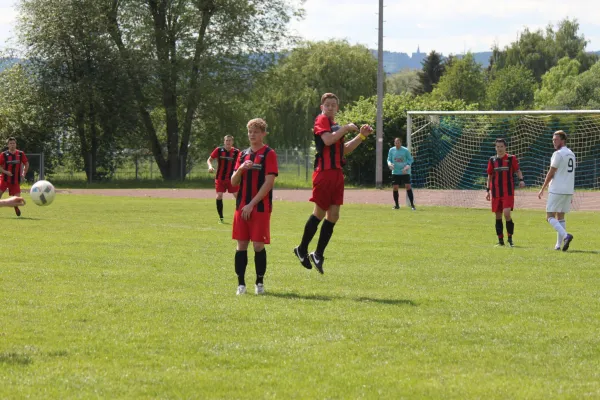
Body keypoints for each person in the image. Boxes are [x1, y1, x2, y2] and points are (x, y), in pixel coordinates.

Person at [293, 92, 374, 274]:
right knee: (320, 213)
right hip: (324, 173)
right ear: (322, 107)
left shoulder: (335, 126)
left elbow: (343, 150)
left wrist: (361, 137)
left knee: (334, 215)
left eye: (333, 105)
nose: (330, 107)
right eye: (327, 105)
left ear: (337, 108)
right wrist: (345, 128)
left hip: (336, 174)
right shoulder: (321, 120)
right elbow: (328, 140)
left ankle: (318, 253)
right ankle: (302, 248)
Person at [230, 118, 278, 295]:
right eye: (250, 132)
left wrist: (251, 204)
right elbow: (233, 182)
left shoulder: (269, 154)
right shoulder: (242, 155)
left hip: (259, 208)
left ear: (263, 134)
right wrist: (241, 168)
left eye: (256, 132)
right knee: (241, 244)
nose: (252, 135)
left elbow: (269, 183)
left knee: (258, 245)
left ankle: (259, 283)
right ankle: (241, 284)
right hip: (241, 207)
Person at [538, 130, 576, 251]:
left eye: (556, 139)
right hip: (568, 190)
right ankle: (558, 245)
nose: (554, 141)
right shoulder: (571, 154)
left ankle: (566, 236)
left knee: (549, 216)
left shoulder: (558, 154)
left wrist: (543, 188)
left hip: (557, 189)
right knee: (561, 216)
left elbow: (551, 172)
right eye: (553, 139)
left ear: (563, 140)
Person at [485, 138, 525, 247]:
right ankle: (501, 241)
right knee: (498, 216)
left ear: (505, 147)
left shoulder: (511, 158)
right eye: (497, 146)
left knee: (507, 214)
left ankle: (510, 239)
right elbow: (489, 176)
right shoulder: (492, 160)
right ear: (495, 147)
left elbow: (517, 170)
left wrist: (521, 180)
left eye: (501, 146)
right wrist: (487, 190)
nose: (499, 149)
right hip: (496, 192)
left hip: (508, 192)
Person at [207, 135, 239, 223]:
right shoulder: (218, 150)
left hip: (232, 179)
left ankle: (239, 217)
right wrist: (210, 166)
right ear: (224, 141)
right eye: (226, 140)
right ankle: (221, 218)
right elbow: (209, 160)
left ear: (232, 142)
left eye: (230, 141)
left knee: (238, 196)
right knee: (219, 196)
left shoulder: (236, 152)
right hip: (220, 178)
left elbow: (241, 163)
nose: (228, 142)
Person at [0, 137, 29, 217]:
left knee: (17, 200)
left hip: (15, 180)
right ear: (8, 145)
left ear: (16, 144)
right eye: (10, 143)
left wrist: (23, 173)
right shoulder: (3, 154)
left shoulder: (20, 153)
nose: (12, 145)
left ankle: (16, 207)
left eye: (13, 143)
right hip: (4, 179)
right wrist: (6, 172)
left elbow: (26, 163)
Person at [387, 137, 416, 210]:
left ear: (401, 143)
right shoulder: (391, 150)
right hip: (395, 172)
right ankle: (397, 205)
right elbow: (389, 159)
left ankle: (412, 205)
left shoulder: (405, 150)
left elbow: (410, 159)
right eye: (395, 143)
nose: (397, 144)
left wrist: (407, 166)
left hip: (405, 172)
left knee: (408, 186)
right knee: (395, 187)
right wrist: (390, 164)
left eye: (398, 143)